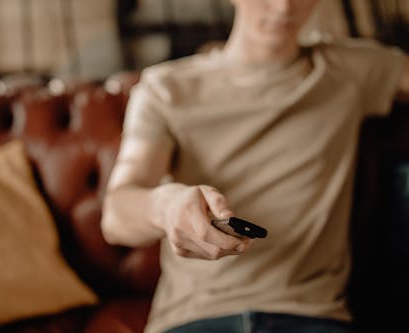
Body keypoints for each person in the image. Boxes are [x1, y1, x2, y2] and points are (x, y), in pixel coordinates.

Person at [101, 0, 409, 332]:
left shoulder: (350, 68)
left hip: (311, 315)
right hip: (193, 317)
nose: (283, 7)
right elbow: (116, 215)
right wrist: (165, 206)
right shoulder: (165, 87)